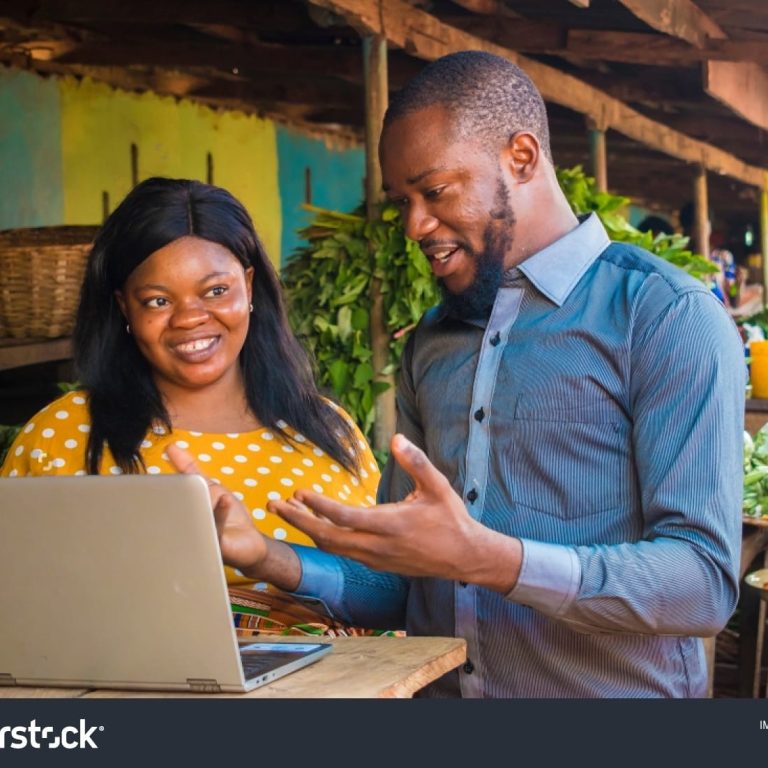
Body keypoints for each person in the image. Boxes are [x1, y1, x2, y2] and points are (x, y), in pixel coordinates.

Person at [169, 52, 745, 697]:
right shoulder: (433, 344)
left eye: (436, 191)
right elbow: (408, 589)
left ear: (521, 157)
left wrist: (488, 559)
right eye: (404, 202)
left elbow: (702, 585)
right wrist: (267, 556)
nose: (415, 225)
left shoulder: (665, 318)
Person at [1, 177, 380, 587]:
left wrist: (270, 559)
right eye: (158, 301)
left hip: (349, 655)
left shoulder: (329, 430)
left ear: (248, 287)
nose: (190, 318)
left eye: (216, 290)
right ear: (124, 306)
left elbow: (389, 590)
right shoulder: (61, 436)